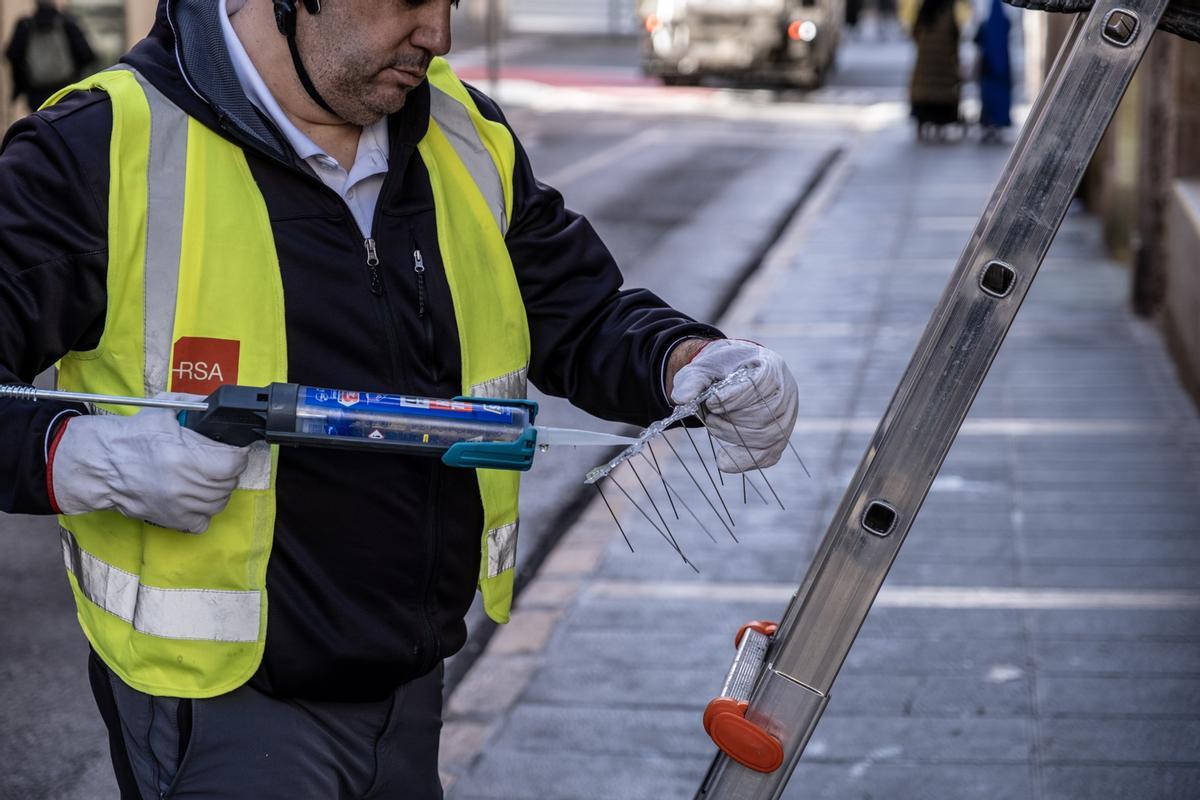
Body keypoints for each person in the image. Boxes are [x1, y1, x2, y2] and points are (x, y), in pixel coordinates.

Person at [0, 0, 799, 797]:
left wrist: (688, 359)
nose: (438, 34)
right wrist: (73, 455)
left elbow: (577, 311)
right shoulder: (103, 147)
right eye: (408, 0)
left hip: (410, 689)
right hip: (218, 707)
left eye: (449, 1)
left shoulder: (458, 132)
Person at [4, 0, 94, 111]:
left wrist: (20, 88)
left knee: (40, 124)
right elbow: (87, 55)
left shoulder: (25, 26)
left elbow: (13, 56)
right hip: (65, 89)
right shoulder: (67, 22)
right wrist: (75, 77)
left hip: (36, 93)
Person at [907, 0, 964, 140]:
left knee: (924, 90)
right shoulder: (948, 11)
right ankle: (940, 128)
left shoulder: (924, 11)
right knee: (942, 92)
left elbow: (914, 33)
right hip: (944, 62)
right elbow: (955, 37)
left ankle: (922, 126)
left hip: (925, 61)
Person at [974, 0, 1013, 142]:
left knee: (991, 94)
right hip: (999, 64)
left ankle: (991, 122)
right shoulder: (1002, 9)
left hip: (991, 64)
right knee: (996, 95)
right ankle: (996, 122)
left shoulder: (987, 8)